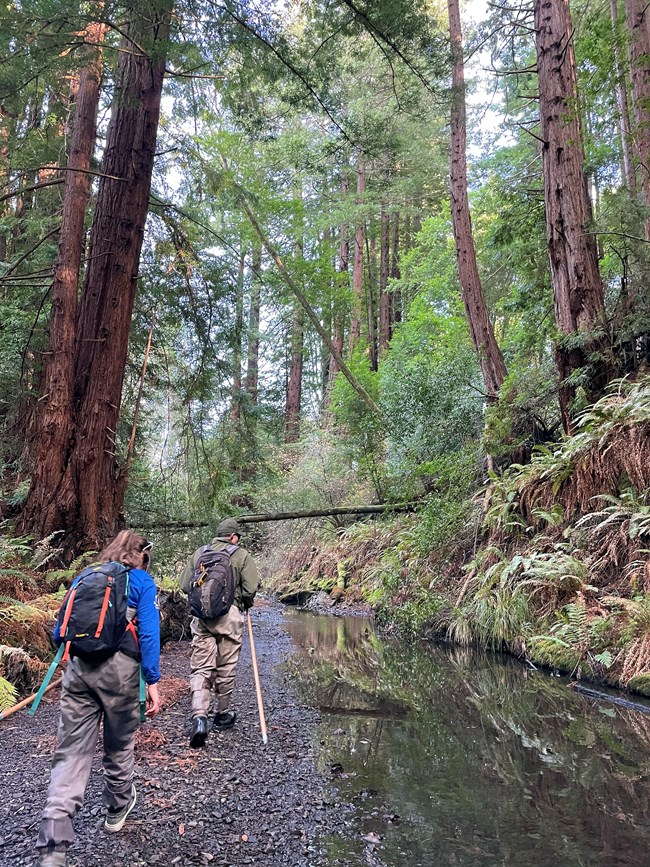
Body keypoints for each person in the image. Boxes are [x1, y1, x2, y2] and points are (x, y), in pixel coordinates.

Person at [36, 530, 161, 867]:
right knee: (118, 744)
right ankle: (118, 808)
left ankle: (53, 845)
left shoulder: (87, 575)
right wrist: (152, 680)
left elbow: (58, 628)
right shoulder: (141, 581)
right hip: (119, 673)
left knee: (71, 752)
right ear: (142, 555)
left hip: (77, 670)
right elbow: (149, 633)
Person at [179, 517, 259, 748]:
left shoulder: (200, 552)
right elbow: (250, 588)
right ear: (233, 536)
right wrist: (246, 601)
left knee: (201, 665)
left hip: (202, 617)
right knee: (226, 665)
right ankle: (222, 714)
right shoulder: (240, 554)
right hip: (229, 615)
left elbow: (185, 586)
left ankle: (200, 716)